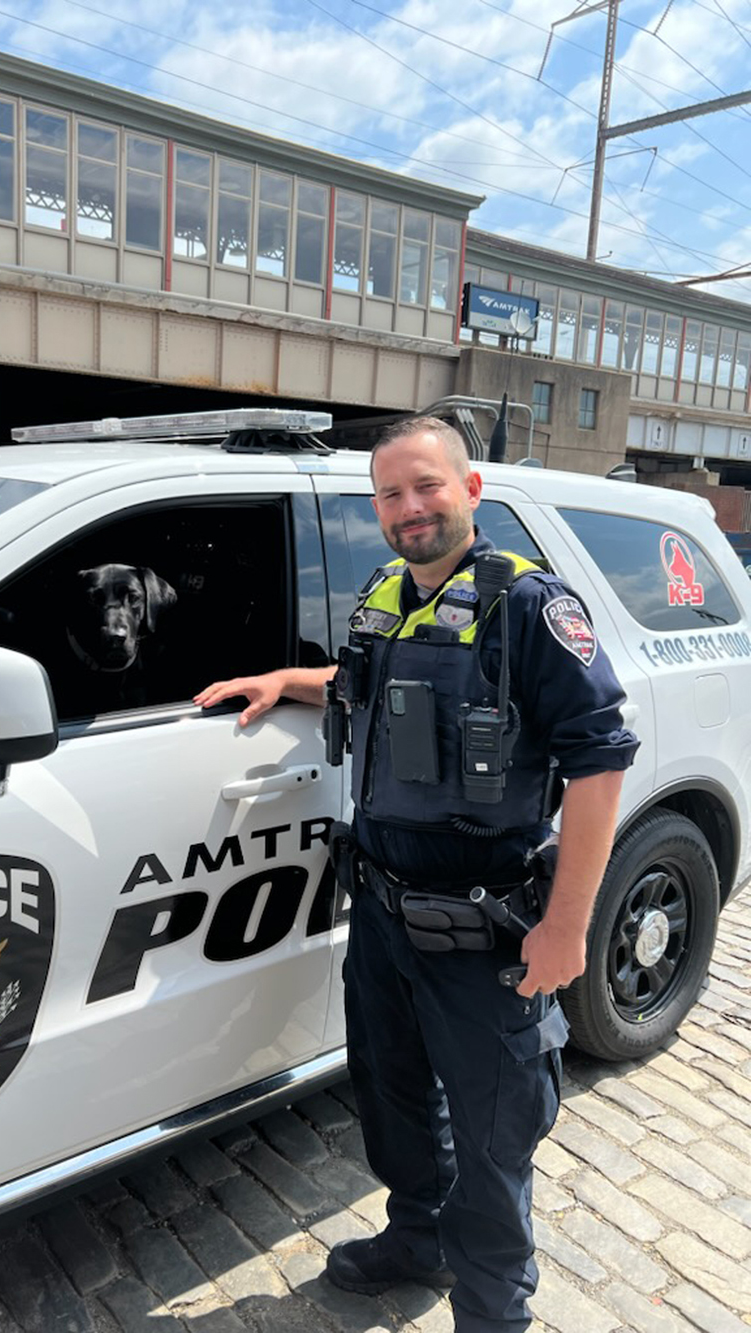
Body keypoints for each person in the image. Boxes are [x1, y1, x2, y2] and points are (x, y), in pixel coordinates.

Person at [194, 417, 639, 1333]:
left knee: (491, 1133)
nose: (409, 508)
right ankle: (418, 1238)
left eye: (427, 486)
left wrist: (567, 927)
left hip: (488, 931)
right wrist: (290, 677)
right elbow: (360, 681)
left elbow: (601, 762)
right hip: (387, 913)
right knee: (393, 1093)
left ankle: (493, 1311)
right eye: (391, 494)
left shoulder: (529, 607)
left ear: (470, 491)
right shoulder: (389, 593)